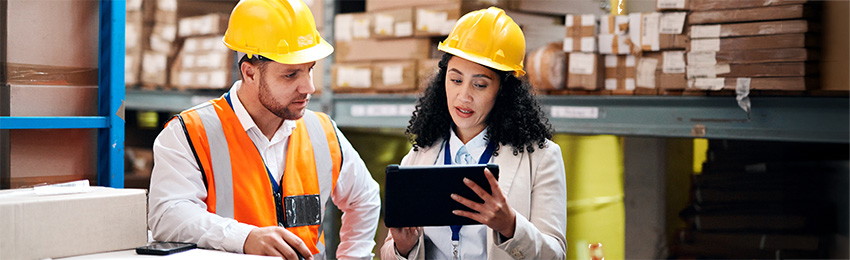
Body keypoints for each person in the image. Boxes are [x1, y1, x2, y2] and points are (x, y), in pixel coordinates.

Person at [147, 0, 381, 259]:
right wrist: (245, 238)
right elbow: (167, 215)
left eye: (310, 70)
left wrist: (354, 256)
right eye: (291, 75)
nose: (308, 88)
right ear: (249, 73)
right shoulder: (190, 132)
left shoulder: (322, 131)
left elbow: (365, 198)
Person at [380, 7, 567, 260]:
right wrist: (403, 248)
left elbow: (555, 255)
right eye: (455, 80)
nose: (464, 96)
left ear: (503, 90)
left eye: (479, 84)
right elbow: (389, 252)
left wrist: (510, 226)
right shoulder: (419, 156)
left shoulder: (542, 158)